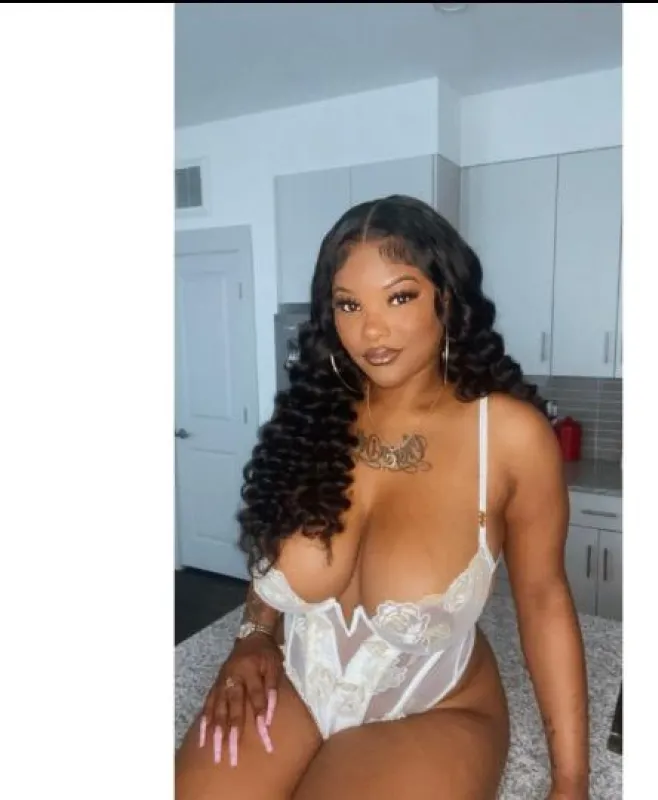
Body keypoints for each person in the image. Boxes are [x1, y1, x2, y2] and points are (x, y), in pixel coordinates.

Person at [175, 195, 589, 799]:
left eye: (399, 297)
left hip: (435, 710)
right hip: (295, 684)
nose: (370, 330)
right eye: (349, 304)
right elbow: (272, 551)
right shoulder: (314, 416)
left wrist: (571, 782)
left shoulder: (507, 436)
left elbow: (544, 599)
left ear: (447, 297)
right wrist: (255, 635)